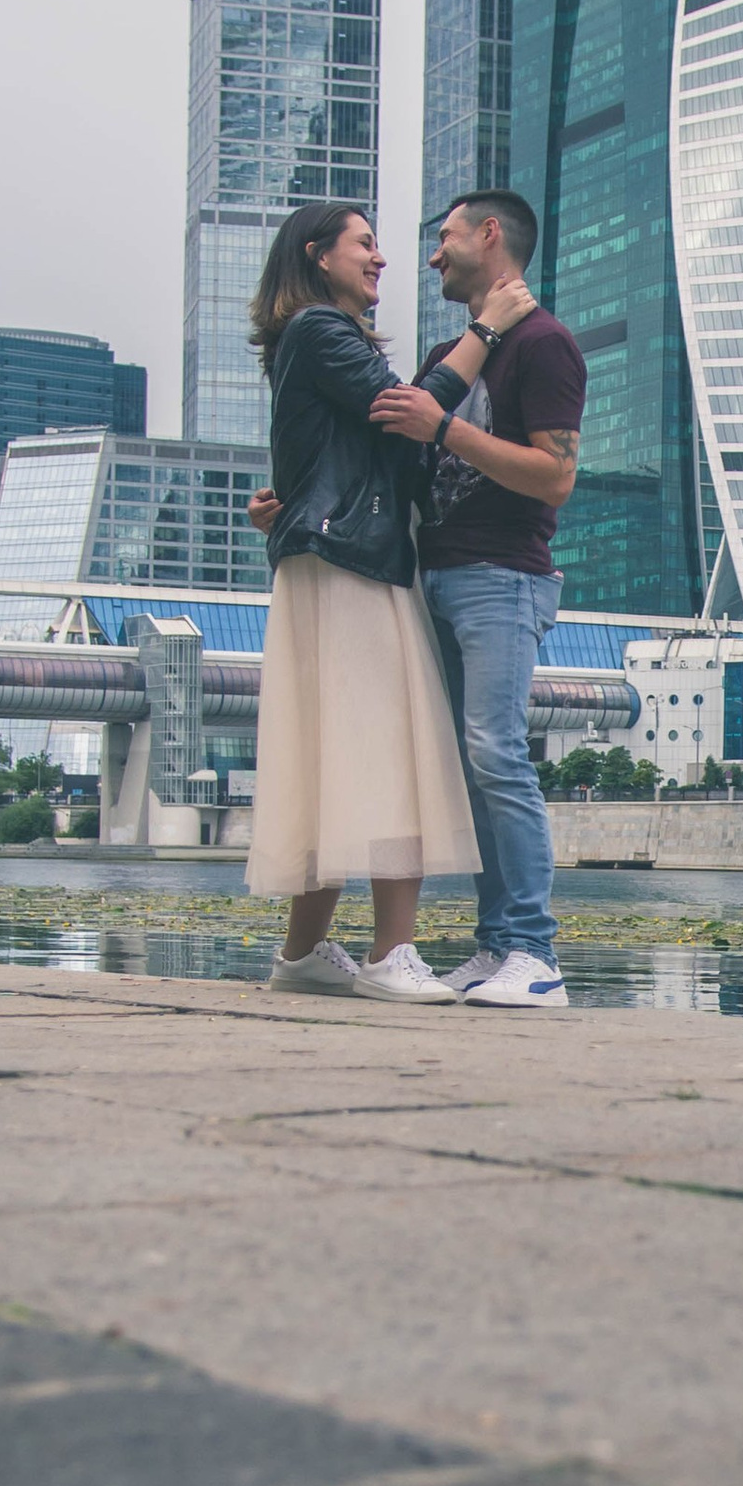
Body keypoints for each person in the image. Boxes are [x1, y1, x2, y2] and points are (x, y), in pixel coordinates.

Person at [242, 198, 526, 999]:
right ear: (317, 254)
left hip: (334, 556)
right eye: (365, 244)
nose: (380, 258)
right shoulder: (318, 332)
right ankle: (390, 955)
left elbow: (340, 453)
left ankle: (303, 956)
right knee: (390, 748)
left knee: (340, 757)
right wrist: (488, 330)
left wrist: (285, 502)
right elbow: (407, 419)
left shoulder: (316, 342)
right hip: (355, 563)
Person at [369, 189, 584, 1010]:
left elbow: (556, 474)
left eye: (445, 239)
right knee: (469, 767)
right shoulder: (458, 348)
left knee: (498, 755)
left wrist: (446, 430)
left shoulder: (548, 344)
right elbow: (401, 438)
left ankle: (536, 954)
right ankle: (497, 949)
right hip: (440, 574)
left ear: (489, 236)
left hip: (505, 576)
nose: (432, 257)